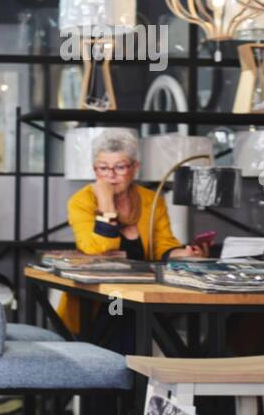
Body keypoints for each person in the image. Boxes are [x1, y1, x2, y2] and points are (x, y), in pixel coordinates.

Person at [60, 129, 204, 335]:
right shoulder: (81, 201)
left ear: (135, 167)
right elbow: (94, 249)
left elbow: (162, 244)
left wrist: (183, 254)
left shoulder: (152, 200)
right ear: (94, 170)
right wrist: (107, 206)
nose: (110, 175)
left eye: (119, 167)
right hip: (99, 299)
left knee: (143, 326)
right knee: (117, 320)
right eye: (103, 168)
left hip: (142, 296)